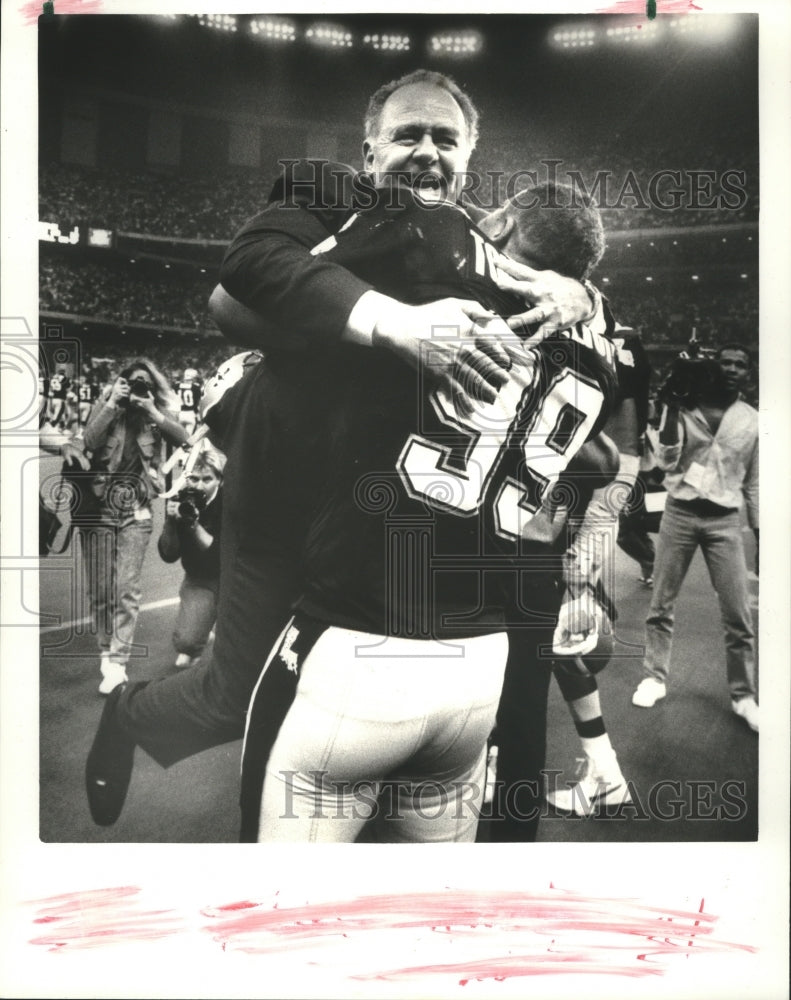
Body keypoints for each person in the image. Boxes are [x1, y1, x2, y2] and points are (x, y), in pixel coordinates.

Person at [85, 68, 609, 830]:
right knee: (241, 695)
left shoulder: (466, 243)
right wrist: (390, 326)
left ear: (467, 160)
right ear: (367, 155)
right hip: (284, 489)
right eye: (407, 135)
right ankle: (130, 717)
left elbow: (565, 277)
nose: (426, 150)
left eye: (444, 138)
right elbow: (229, 296)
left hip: (370, 511)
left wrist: (581, 293)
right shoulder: (332, 194)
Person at [540, 324, 653, 819]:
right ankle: (604, 771)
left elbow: (621, 452)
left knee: (560, 634)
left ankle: (605, 772)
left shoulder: (613, 342)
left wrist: (592, 541)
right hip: (563, 495)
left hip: (573, 500)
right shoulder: (579, 329)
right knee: (551, 637)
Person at [631, 344, 759, 731]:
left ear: (748, 373)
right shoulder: (685, 409)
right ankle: (655, 677)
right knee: (661, 604)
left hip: (725, 523)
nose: (733, 368)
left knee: (738, 614)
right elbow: (666, 461)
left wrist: (763, 536)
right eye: (726, 362)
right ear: (713, 369)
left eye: (740, 364)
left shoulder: (753, 420)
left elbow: (754, 482)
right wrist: (670, 406)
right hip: (681, 514)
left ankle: (743, 695)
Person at [82, 359, 188, 693]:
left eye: (145, 383)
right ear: (121, 383)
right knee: (101, 588)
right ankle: (105, 649)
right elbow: (89, 440)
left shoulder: (154, 416)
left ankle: (117, 662)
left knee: (126, 587)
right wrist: (113, 402)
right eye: (132, 381)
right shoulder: (108, 405)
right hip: (100, 506)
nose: (137, 387)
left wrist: (152, 409)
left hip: (137, 508)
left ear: (152, 388)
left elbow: (184, 438)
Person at [158, 444, 224, 671]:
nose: (200, 486)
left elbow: (218, 556)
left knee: (241, 645)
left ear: (220, 481)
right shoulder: (183, 499)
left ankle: (212, 624)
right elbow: (168, 554)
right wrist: (170, 521)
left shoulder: (230, 503)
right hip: (199, 579)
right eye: (194, 479)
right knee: (186, 643)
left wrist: (193, 525)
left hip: (233, 579)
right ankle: (201, 629)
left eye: (207, 479)